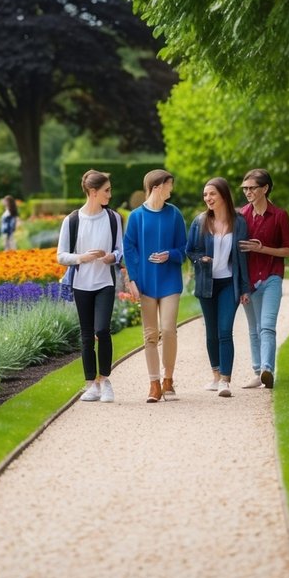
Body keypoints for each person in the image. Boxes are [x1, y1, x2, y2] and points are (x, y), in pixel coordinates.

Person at [57, 170, 123, 404]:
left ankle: (105, 381)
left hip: (104, 282)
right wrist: (82, 258)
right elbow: (61, 256)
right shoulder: (72, 220)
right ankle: (90, 385)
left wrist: (111, 258)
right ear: (93, 192)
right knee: (86, 336)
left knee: (102, 330)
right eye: (107, 190)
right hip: (81, 284)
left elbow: (119, 249)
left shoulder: (113, 218)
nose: (110, 194)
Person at [123, 169, 187, 403]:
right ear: (157, 186)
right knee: (150, 335)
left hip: (170, 281)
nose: (171, 189)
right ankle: (154, 385)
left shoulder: (175, 214)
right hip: (145, 283)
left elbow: (184, 248)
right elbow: (129, 248)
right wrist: (133, 280)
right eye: (169, 185)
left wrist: (169, 255)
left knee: (168, 330)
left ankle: (168, 379)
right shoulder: (136, 217)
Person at [186, 177, 249, 398]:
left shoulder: (239, 222)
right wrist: (200, 259)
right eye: (205, 195)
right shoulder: (200, 221)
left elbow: (243, 259)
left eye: (212, 194)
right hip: (206, 283)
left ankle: (225, 380)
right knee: (211, 332)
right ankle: (215, 375)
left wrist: (244, 288)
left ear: (223, 195)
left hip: (228, 284)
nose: (208, 198)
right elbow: (190, 250)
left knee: (224, 331)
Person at [238, 168, 289, 389]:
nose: (248, 192)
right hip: (248, 280)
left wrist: (263, 249)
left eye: (252, 188)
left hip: (272, 277)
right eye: (245, 189)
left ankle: (267, 370)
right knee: (253, 329)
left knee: (267, 326)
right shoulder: (241, 216)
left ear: (265, 189)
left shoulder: (280, 216)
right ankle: (257, 371)